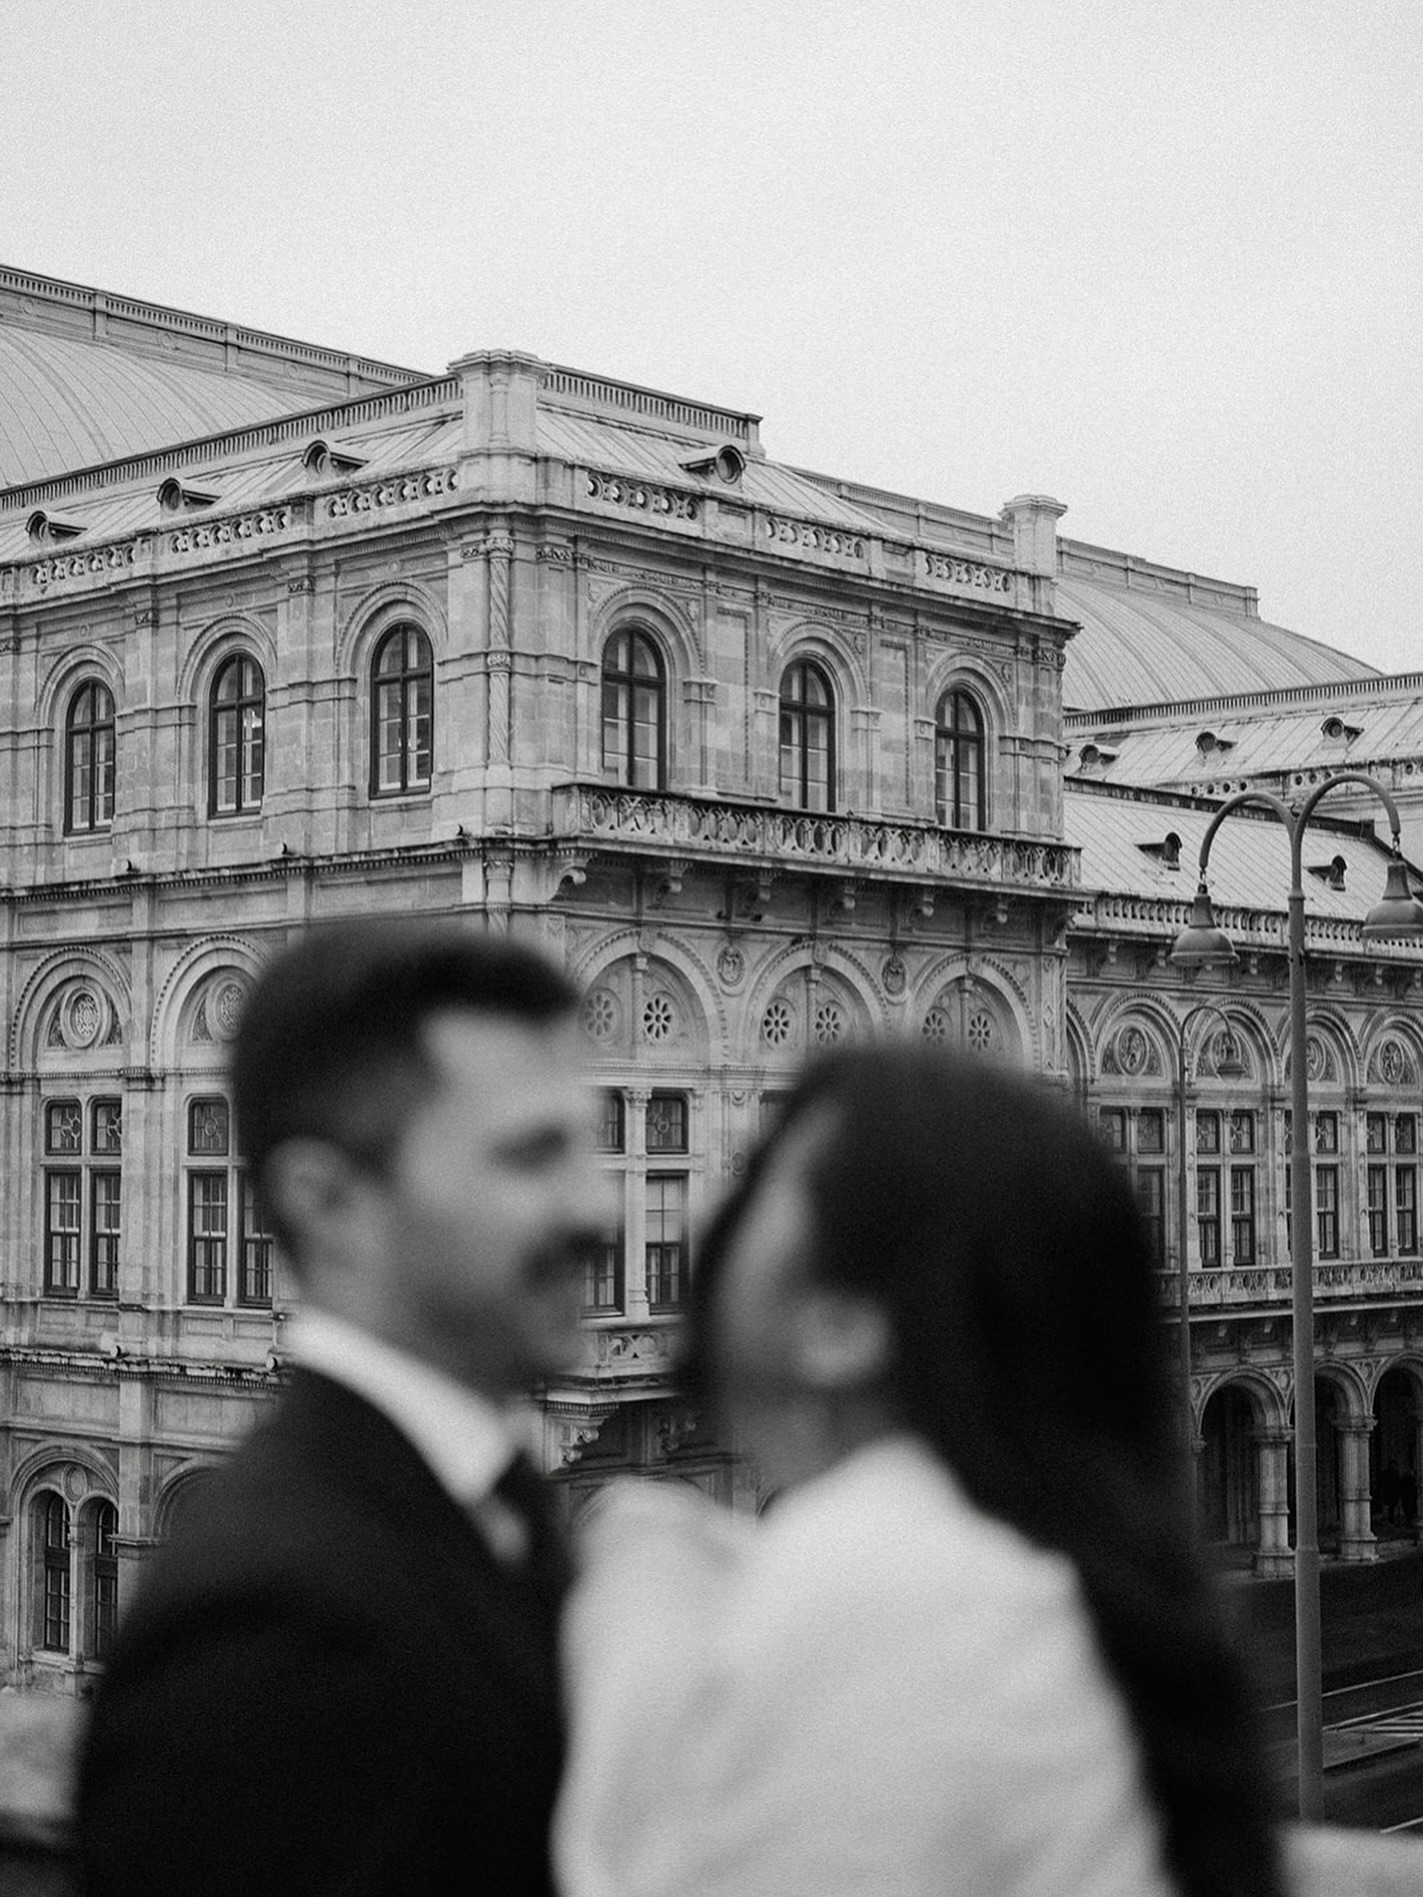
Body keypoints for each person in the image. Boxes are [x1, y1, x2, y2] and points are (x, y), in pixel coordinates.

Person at [555, 1045, 1283, 1897]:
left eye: (756, 1174)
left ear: (842, 1325)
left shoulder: (884, 1579)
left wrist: (637, 1628)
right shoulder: (1010, 1558)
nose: (694, 1203)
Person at [79, 920, 605, 1897]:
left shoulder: (491, 1508)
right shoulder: (264, 1628)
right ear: (328, 1201)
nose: (596, 1211)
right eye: (531, 1156)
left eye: (588, 1146)